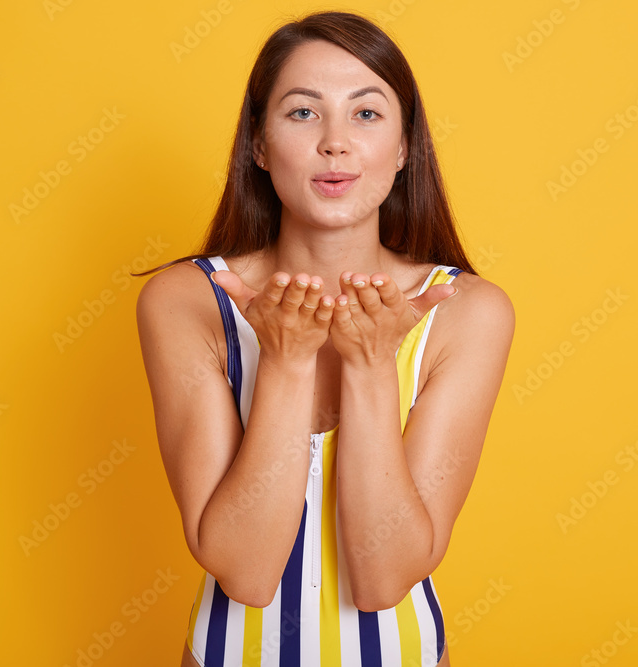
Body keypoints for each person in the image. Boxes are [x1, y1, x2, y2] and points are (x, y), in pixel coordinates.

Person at [135, 10, 514, 666]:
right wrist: (284, 361)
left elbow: (383, 577)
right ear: (258, 143)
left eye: (366, 114)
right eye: (303, 113)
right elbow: (246, 571)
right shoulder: (188, 301)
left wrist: (372, 365)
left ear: (402, 148)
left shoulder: (466, 310)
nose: (335, 142)